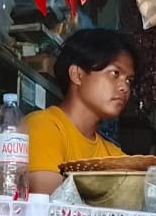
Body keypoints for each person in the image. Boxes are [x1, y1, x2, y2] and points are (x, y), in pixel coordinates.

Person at [26, 28, 140, 195]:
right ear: (77, 74)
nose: (125, 87)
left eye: (129, 80)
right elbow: (49, 207)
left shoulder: (113, 155)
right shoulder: (43, 127)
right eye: (115, 73)